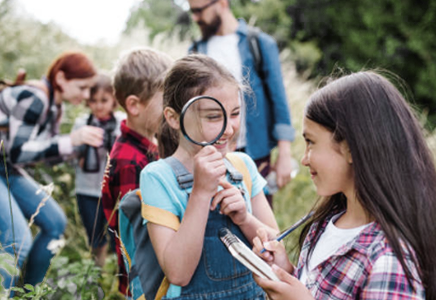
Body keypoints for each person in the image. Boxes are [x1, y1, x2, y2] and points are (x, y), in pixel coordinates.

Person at [252, 71, 436, 300]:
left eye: (311, 142)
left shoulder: (388, 260)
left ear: (350, 148)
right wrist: (285, 272)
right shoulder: (325, 224)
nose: (305, 158)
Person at [139, 54, 279, 299]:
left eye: (234, 113)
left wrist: (245, 219)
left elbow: (276, 248)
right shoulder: (157, 177)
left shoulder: (243, 166)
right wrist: (201, 193)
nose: (228, 128)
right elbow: (178, 273)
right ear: (173, 118)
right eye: (213, 116)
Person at [0, 52, 102, 290]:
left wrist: (74, 149)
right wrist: (69, 140)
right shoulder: (35, 97)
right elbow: (19, 152)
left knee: (55, 223)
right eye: (82, 87)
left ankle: (29, 292)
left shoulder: (55, 108)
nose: (86, 95)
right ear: (61, 77)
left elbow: (40, 153)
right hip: (7, 164)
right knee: (18, 240)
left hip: (7, 169)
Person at [187, 0, 295, 207]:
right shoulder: (196, 51)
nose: (195, 18)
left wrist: (285, 153)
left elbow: (278, 99)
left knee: (259, 215)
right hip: (213, 152)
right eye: (192, 11)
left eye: (200, 10)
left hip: (257, 152)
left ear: (222, 3)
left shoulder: (259, 44)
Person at [100, 47, 173, 296]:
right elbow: (137, 235)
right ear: (134, 105)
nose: (171, 108)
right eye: (165, 100)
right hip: (147, 281)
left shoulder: (149, 147)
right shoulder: (129, 162)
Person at [71, 73, 125, 268]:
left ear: (113, 100)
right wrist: (83, 149)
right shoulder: (82, 123)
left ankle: (121, 280)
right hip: (87, 189)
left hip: (114, 191)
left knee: (118, 238)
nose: (99, 106)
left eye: (104, 100)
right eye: (93, 101)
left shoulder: (121, 122)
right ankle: (97, 278)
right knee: (95, 238)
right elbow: (71, 156)